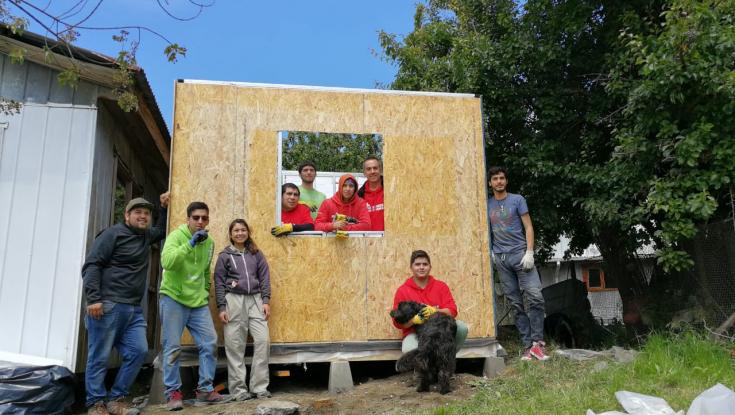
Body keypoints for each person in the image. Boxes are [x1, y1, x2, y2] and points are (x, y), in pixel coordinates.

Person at [82, 192, 169, 415]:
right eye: (138, 212)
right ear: (127, 215)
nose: (143, 216)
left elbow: (160, 231)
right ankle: (95, 404)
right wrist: (93, 299)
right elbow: (92, 265)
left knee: (138, 351)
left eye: (146, 213)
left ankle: (116, 399)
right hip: (108, 305)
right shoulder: (112, 234)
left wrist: (163, 208)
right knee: (99, 357)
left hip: (133, 309)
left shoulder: (144, 236)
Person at [159, 201, 228, 410]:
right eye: (196, 218)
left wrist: (205, 291)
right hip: (173, 298)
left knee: (209, 343)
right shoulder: (176, 237)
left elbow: (206, 270)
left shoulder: (209, 242)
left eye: (204, 218)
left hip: (197, 302)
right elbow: (167, 262)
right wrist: (190, 244)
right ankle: (173, 393)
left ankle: (205, 390)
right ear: (187, 219)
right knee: (172, 347)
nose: (200, 222)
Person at [487, 166, 549, 361]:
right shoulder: (487, 204)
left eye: (502, 178)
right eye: (495, 179)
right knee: (515, 303)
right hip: (502, 259)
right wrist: (490, 253)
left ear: (506, 181)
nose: (499, 181)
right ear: (490, 183)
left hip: (521, 255)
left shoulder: (517, 200)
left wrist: (529, 252)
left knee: (535, 297)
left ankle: (538, 343)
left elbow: (529, 226)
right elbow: (486, 231)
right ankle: (528, 346)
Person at [214, 219, 272, 401]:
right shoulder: (225, 255)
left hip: (255, 300)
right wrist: (222, 306)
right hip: (234, 301)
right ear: (231, 234)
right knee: (234, 346)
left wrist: (265, 300)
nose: (240, 233)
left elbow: (264, 278)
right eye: (236, 231)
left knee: (263, 341)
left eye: (243, 230)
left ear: (248, 232)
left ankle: (259, 388)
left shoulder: (256, 254)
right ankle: (239, 391)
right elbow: (219, 282)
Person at [391, 250, 468, 353]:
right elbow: (397, 323)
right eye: (417, 264)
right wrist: (414, 321)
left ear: (430, 267)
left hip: (440, 330)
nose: (421, 267)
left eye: (425, 264)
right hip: (414, 333)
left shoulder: (441, 287)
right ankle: (422, 366)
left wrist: (435, 311)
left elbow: (452, 311)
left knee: (462, 327)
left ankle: (446, 358)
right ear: (411, 267)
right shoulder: (402, 291)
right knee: (408, 350)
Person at [357, 156, 384, 231]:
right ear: (364, 173)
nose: (372, 171)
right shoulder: (359, 196)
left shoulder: (390, 191)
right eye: (368, 169)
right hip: (367, 241)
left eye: (375, 168)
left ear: (380, 170)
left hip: (389, 240)